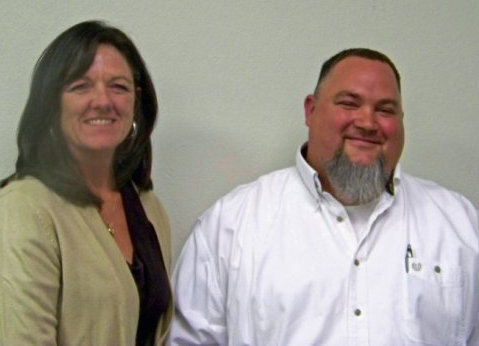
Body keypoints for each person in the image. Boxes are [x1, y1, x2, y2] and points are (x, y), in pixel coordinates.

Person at [168, 48, 479, 345]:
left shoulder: (458, 225)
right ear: (311, 110)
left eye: (385, 110)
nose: (367, 122)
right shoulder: (232, 225)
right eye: (349, 103)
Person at [0, 21, 173, 345]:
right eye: (81, 86)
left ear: (136, 101)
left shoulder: (148, 207)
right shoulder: (24, 209)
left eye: (118, 87)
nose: (103, 101)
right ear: (52, 104)